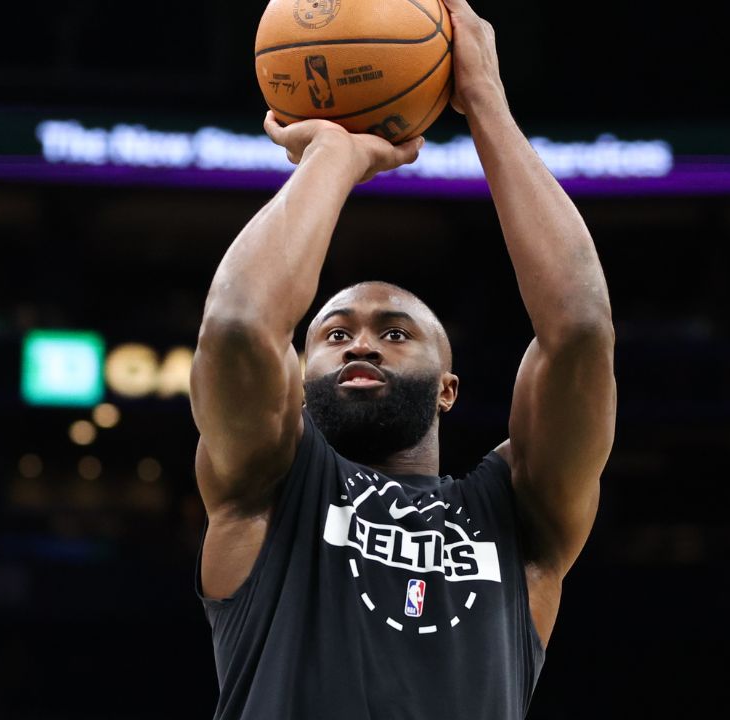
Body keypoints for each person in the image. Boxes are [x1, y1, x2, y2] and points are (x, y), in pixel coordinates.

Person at [190, 0, 616, 717]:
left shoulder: (517, 516)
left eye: (395, 333)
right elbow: (236, 326)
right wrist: (335, 155)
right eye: (332, 334)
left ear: (449, 389)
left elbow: (580, 330)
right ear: (294, 379)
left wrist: (484, 100)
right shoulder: (265, 490)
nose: (360, 342)